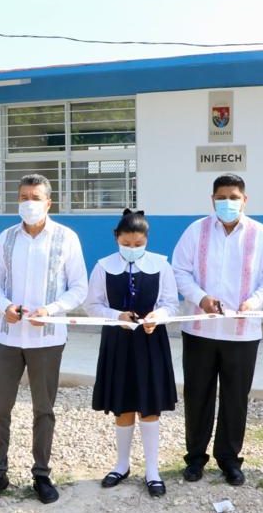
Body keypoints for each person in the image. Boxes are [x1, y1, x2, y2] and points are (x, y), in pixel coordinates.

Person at [0, 174, 88, 505]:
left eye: (36, 197)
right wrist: (5, 306)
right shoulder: (7, 238)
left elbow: (79, 287)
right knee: (0, 408)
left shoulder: (66, 238)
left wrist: (52, 310)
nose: (29, 202)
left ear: (48, 202)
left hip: (48, 338)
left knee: (44, 409)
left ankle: (41, 473)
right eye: (24, 196)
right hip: (9, 337)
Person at [171, 173, 263, 486]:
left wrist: (254, 302)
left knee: (236, 397)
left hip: (242, 332)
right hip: (199, 330)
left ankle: (229, 460)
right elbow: (179, 271)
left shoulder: (262, 235)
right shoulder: (196, 231)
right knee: (197, 396)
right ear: (212, 200)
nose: (227, 203)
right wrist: (200, 298)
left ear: (245, 200)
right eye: (221, 197)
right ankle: (195, 459)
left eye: (234, 197)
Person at [86, 210, 178, 497]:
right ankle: (121, 464)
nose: (133, 249)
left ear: (146, 240)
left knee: (149, 406)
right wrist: (117, 316)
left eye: (139, 244)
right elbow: (92, 305)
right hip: (118, 342)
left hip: (151, 342)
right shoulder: (103, 266)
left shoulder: (161, 265)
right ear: (117, 238)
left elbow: (171, 303)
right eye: (127, 244)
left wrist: (157, 317)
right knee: (123, 405)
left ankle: (152, 470)